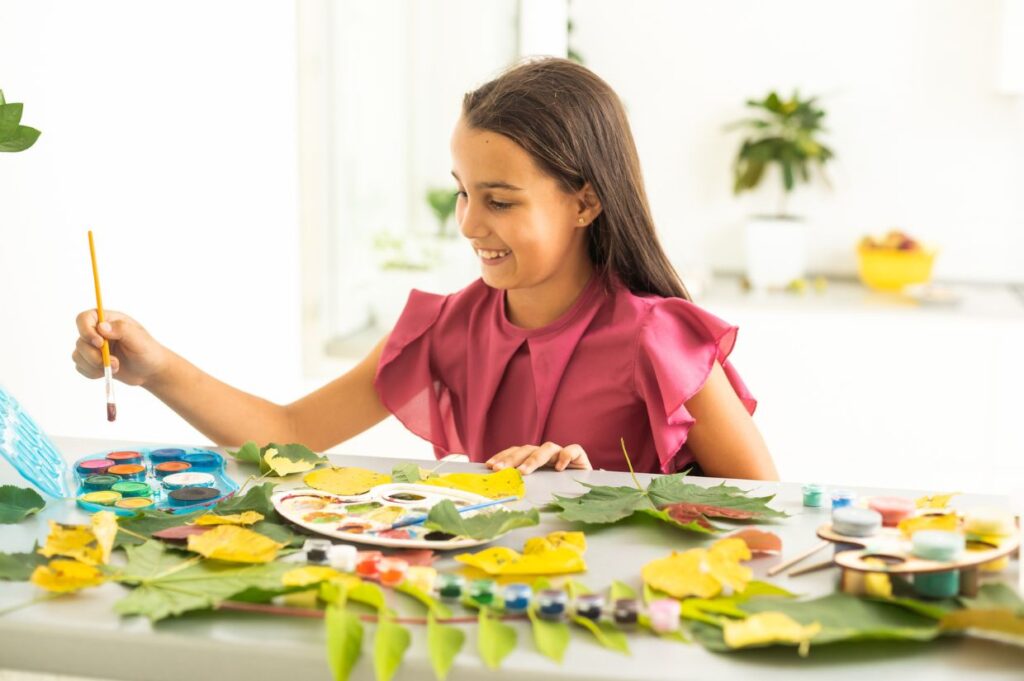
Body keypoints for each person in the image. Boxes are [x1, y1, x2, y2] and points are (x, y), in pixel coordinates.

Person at [72, 57, 778, 480]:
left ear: (586, 200)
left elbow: (767, 514)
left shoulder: (660, 339)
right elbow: (288, 433)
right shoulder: (446, 328)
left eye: (499, 200)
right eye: (463, 192)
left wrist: (607, 496)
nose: (469, 223)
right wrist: (154, 367)